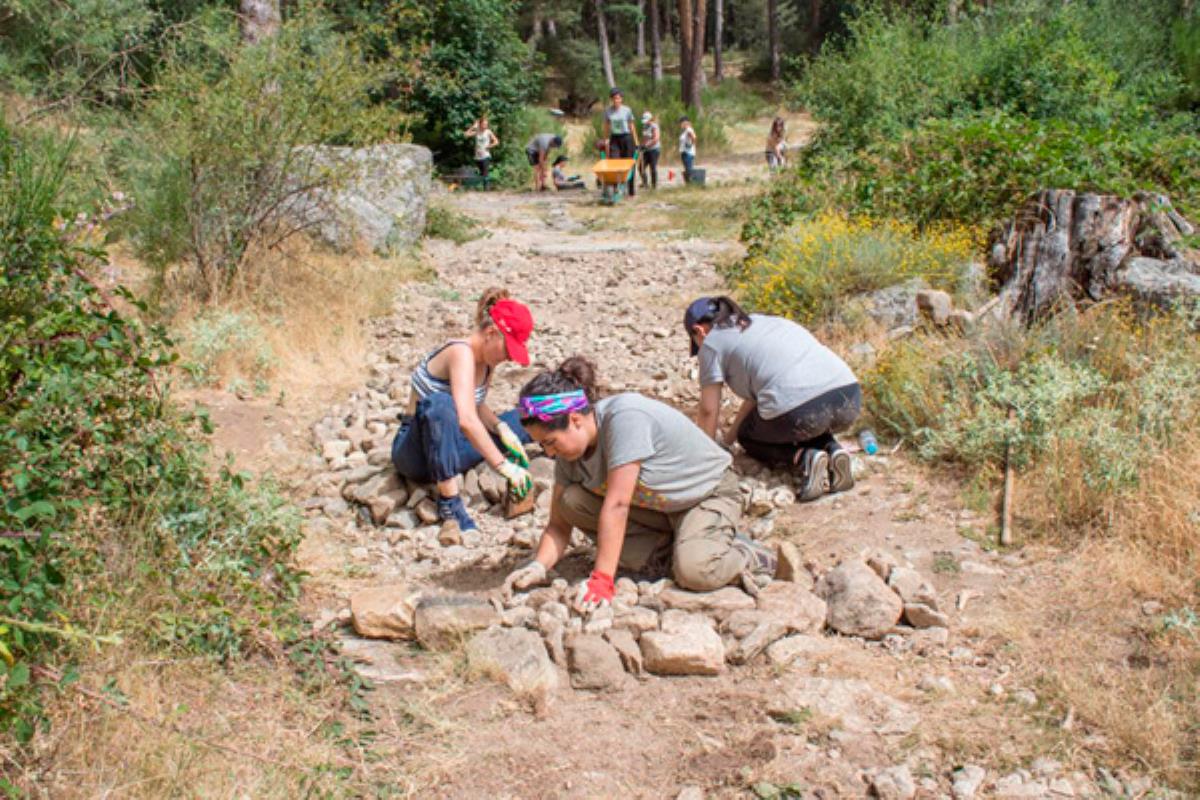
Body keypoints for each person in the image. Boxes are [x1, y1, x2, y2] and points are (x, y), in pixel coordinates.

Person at [501, 356, 779, 611]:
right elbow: (559, 524)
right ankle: (677, 549)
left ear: (574, 420)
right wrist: (539, 566)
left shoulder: (624, 418)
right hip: (662, 508)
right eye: (542, 446)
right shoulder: (569, 453)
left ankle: (746, 555)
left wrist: (602, 580)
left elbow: (618, 504)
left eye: (550, 442)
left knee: (695, 572)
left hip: (706, 495)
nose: (549, 453)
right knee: (571, 501)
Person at [684, 296, 861, 503]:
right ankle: (834, 450)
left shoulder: (711, 343)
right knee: (801, 413)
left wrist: (703, 457)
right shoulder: (761, 322)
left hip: (800, 411)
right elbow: (757, 399)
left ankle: (805, 458)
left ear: (699, 330)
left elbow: (708, 410)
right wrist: (728, 439)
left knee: (751, 436)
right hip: (848, 398)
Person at [391, 289, 537, 532]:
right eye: (508, 350)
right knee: (440, 405)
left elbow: (475, 406)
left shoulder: (487, 363)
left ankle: (568, 436)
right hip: (415, 454)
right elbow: (467, 420)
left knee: (525, 416)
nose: (509, 358)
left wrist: (502, 429)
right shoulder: (460, 352)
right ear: (491, 333)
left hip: (451, 447)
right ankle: (449, 502)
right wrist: (503, 466)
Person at [602, 87, 639, 197]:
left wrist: (636, 141)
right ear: (611, 99)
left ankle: (631, 191)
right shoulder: (608, 111)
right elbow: (606, 126)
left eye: (618, 98)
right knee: (614, 163)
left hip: (626, 138)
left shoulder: (627, 110)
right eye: (614, 98)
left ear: (621, 99)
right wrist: (606, 139)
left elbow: (632, 126)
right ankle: (615, 189)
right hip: (615, 139)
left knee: (629, 164)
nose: (616, 100)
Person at [464, 116, 500, 188]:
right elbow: (466, 134)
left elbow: (496, 142)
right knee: (481, 173)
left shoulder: (488, 132)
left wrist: (489, 146)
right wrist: (473, 127)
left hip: (486, 155)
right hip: (477, 156)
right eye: (484, 124)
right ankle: (489, 185)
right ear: (480, 124)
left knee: (485, 173)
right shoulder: (477, 132)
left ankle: (486, 189)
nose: (485, 126)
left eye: (486, 124)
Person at [638, 111, 661, 189]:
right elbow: (644, 138)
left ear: (650, 119)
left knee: (652, 167)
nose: (645, 122)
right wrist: (640, 145)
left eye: (646, 120)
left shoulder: (654, 126)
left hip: (654, 150)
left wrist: (646, 145)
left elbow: (656, 139)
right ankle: (645, 184)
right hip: (646, 150)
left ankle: (654, 186)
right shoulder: (645, 126)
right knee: (641, 167)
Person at [678, 116, 697, 183]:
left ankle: (691, 184)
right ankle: (689, 184)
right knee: (687, 169)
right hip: (685, 152)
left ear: (685, 122)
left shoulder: (688, 129)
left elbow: (694, 137)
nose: (680, 125)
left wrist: (690, 145)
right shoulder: (685, 130)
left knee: (688, 170)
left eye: (681, 123)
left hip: (687, 153)